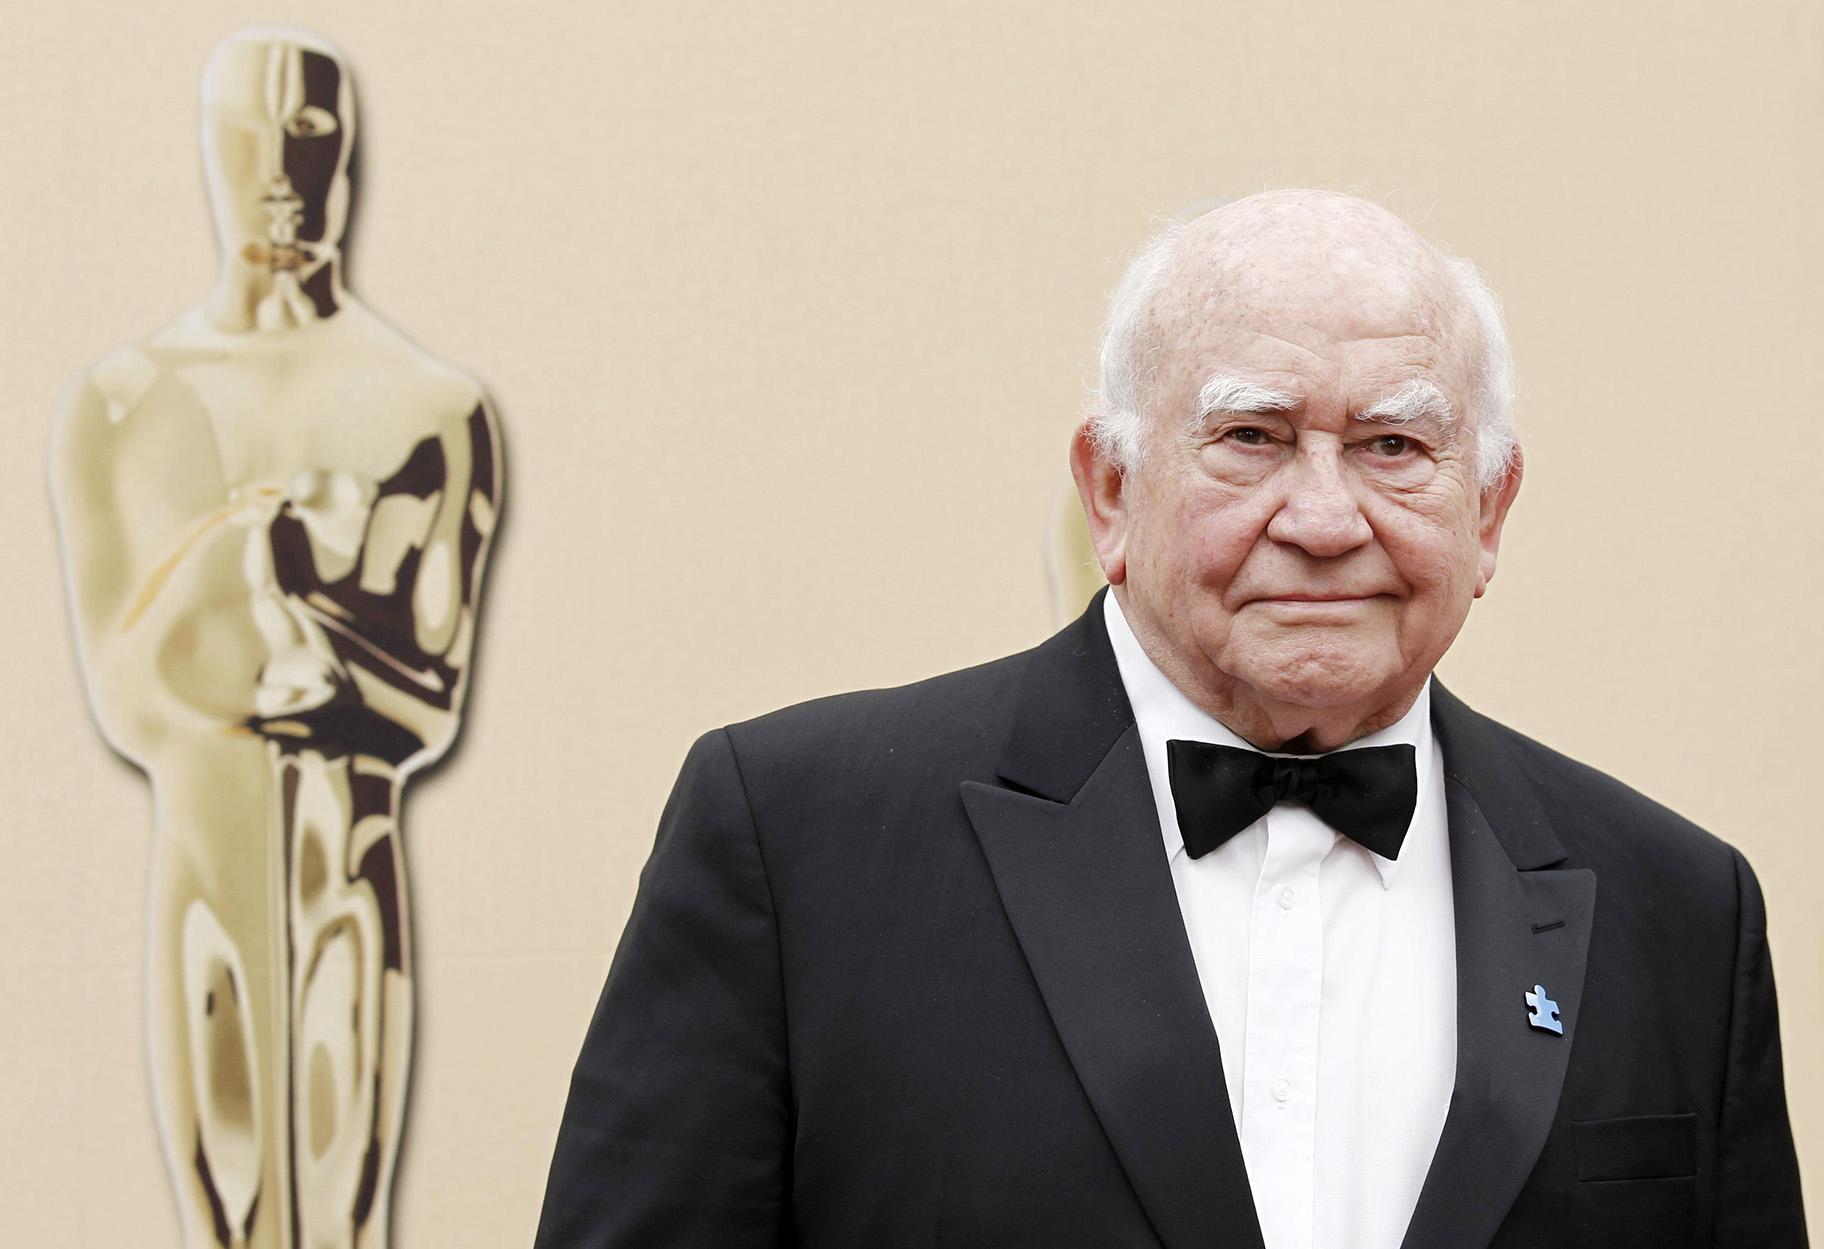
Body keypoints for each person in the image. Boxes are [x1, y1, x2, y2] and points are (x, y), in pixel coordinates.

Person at [532, 190, 1806, 1248]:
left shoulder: (1679, 910)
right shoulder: (798, 840)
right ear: (1111, 488)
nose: (1323, 520)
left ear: (1492, 510)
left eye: (1394, 447)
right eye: (1250, 437)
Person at [49, 28, 502, 1249]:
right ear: (208, 145)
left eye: (307, 131)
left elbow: (428, 700)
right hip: (199, 868)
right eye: (249, 130)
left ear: (345, 154)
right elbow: (126, 692)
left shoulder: (429, 408)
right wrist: (254, 551)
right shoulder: (123, 404)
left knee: (342, 1208)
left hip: (348, 869)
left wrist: (271, 629)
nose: (278, 168)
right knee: (228, 1220)